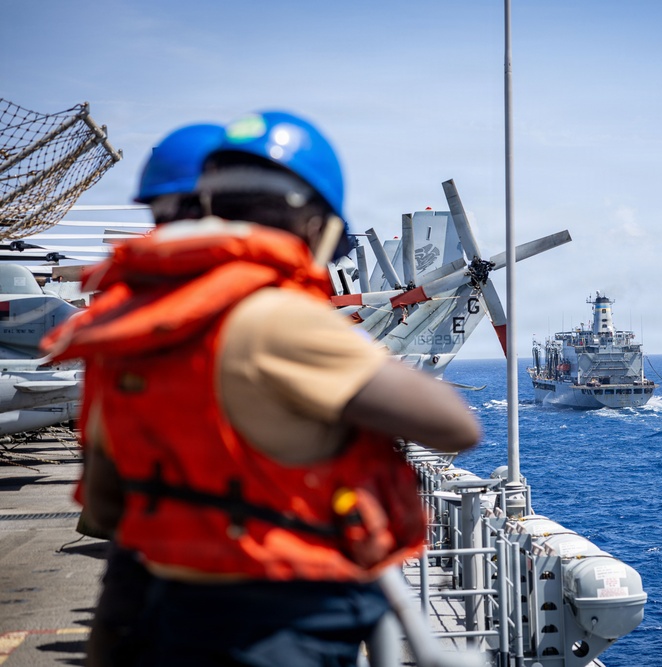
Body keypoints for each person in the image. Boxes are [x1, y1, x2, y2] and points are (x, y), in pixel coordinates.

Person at [42, 111, 481, 667]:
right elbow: (455, 425)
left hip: (169, 612)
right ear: (312, 224)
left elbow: (105, 504)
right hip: (283, 622)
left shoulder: (123, 332)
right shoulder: (276, 317)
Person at [77, 121, 226, 667]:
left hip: (147, 567)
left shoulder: (116, 319)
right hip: (260, 584)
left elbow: (101, 493)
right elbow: (451, 427)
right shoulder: (272, 311)